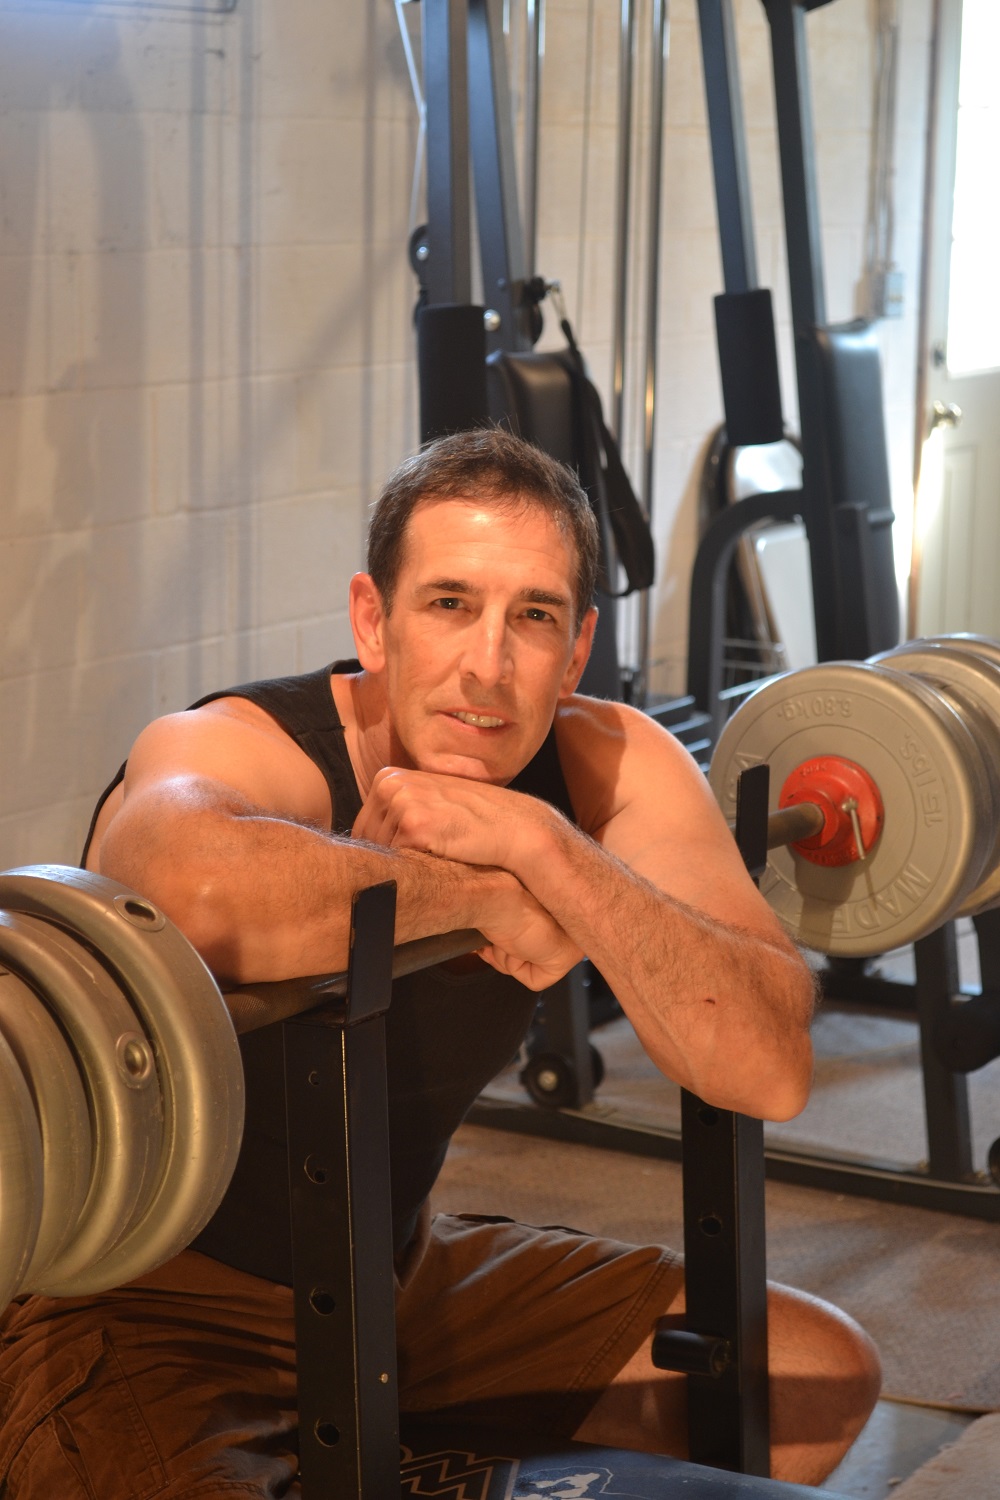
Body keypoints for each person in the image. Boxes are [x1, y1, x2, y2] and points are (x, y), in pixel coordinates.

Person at [0, 428, 879, 1496]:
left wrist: (543, 844)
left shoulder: (607, 765)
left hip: (394, 1281)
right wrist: (488, 895)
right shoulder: (244, 744)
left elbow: (767, 1063)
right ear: (374, 621)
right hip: (143, 1303)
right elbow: (190, 889)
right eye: (450, 603)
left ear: (577, 648)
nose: (488, 665)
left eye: (534, 617)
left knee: (808, 1377)